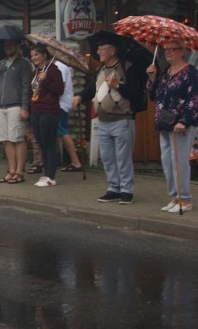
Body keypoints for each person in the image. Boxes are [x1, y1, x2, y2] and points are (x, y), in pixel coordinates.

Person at [72, 42, 146, 204]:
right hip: (103, 121)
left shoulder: (128, 68)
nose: (98, 51)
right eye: (98, 48)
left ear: (112, 51)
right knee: (107, 157)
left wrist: (117, 85)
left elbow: (135, 92)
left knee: (123, 158)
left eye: (102, 49)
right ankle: (114, 188)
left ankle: (126, 190)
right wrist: (80, 96)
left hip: (122, 120)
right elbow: (93, 88)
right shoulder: (101, 69)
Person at [146, 42, 198, 213]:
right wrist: (152, 78)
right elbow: (154, 95)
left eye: (172, 49)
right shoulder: (166, 73)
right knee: (167, 161)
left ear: (182, 51)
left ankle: (185, 200)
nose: (167, 52)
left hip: (181, 124)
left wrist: (184, 121)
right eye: (166, 49)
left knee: (179, 161)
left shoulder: (190, 72)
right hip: (164, 123)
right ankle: (174, 196)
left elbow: (194, 98)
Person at [0, 39, 33, 184]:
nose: (7, 47)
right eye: (5, 45)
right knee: (6, 139)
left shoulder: (24, 64)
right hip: (0, 105)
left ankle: (20, 171)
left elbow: (27, 86)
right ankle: (12, 169)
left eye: (10, 44)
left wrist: (25, 107)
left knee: (18, 139)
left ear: (17, 46)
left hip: (16, 105)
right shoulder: (1, 64)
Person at [28, 45, 64, 187]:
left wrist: (47, 79)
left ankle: (51, 176)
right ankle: (45, 173)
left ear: (43, 55)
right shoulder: (36, 71)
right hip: (36, 109)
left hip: (49, 111)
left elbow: (59, 90)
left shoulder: (53, 71)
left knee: (49, 143)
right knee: (41, 143)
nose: (34, 58)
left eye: (36, 55)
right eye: (32, 56)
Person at [55, 61, 84, 172]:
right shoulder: (58, 66)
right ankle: (55, 160)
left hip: (60, 104)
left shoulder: (60, 66)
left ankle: (76, 162)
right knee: (58, 131)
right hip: (59, 103)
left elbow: (60, 87)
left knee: (62, 130)